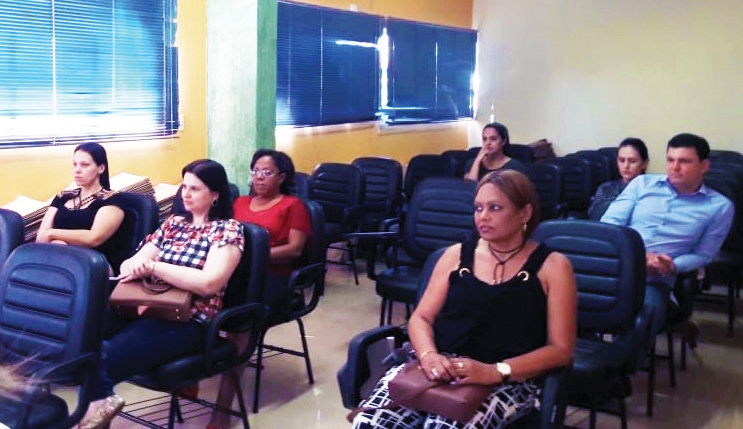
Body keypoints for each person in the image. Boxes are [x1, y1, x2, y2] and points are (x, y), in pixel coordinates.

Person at [352, 170, 577, 429]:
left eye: (495, 208)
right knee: (368, 423)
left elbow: (560, 350)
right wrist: (429, 356)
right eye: (478, 208)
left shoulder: (553, 267)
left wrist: (494, 372)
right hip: (439, 366)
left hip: (507, 378)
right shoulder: (455, 255)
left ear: (524, 213)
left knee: (445, 427)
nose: (483, 216)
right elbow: (421, 318)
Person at [77, 159, 245, 429]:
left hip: (189, 321)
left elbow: (209, 283)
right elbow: (130, 263)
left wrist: (157, 267)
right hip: (146, 306)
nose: (185, 194)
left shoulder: (227, 230)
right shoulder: (174, 223)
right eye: (184, 187)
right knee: (81, 339)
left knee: (106, 355)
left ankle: (92, 413)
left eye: (195, 189)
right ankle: (97, 408)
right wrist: (137, 266)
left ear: (215, 195)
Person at [208, 149, 312, 429]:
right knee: (197, 303)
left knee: (238, 318)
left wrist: (252, 256)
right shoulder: (240, 202)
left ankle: (223, 409)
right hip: (235, 273)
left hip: (273, 279)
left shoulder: (293, 206)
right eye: (256, 171)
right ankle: (190, 376)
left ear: (282, 177)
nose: (259, 177)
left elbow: (295, 249)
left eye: (267, 172)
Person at [601, 133, 734, 339]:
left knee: (642, 320)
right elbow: (609, 226)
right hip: (613, 269)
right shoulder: (641, 184)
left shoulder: (720, 207)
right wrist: (640, 257)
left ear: (704, 166)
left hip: (656, 280)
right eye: (670, 160)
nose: (674, 167)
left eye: (684, 161)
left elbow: (705, 255)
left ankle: (620, 359)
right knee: (564, 300)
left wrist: (672, 266)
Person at [36, 142, 128, 273]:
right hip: (56, 258)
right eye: (75, 164)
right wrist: (57, 244)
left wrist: (53, 234)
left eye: (84, 165)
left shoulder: (113, 200)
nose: (77, 170)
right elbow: (41, 237)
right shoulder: (63, 197)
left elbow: (93, 238)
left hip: (94, 264)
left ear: (101, 168)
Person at [587, 138, 649, 219]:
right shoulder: (605, 188)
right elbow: (594, 218)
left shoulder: (652, 190)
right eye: (622, 160)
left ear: (644, 163)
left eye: (632, 161)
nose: (626, 166)